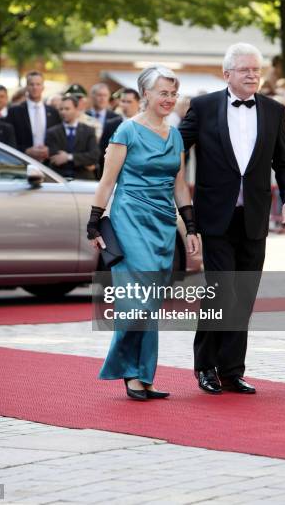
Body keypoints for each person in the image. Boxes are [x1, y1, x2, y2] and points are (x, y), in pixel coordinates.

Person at [179, 43, 285, 395]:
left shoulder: (274, 111)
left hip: (254, 218)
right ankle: (205, 367)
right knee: (221, 293)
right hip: (215, 217)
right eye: (245, 69)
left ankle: (232, 370)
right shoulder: (202, 107)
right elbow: (175, 150)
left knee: (243, 295)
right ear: (226, 73)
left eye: (256, 70)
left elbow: (284, 163)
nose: (252, 75)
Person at [87, 66, 199, 400]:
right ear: (145, 94)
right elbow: (107, 181)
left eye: (173, 94)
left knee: (152, 302)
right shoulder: (127, 131)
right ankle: (129, 371)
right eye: (163, 93)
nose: (169, 99)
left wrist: (190, 226)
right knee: (137, 300)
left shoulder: (176, 134)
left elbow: (180, 185)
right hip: (129, 220)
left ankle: (144, 374)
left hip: (162, 225)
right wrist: (94, 222)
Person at [6, 71, 61, 161]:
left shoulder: (53, 112)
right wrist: (26, 151)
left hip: (48, 164)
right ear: (26, 87)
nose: (35, 87)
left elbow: (58, 139)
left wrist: (50, 150)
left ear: (43, 87)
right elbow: (9, 140)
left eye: (38, 84)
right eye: (31, 84)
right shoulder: (14, 112)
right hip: (23, 160)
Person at [46, 94, 99, 179]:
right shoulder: (52, 132)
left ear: (76, 109)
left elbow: (94, 156)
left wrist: (69, 157)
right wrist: (83, 159)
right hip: (59, 179)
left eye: (67, 109)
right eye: (61, 109)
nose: (63, 112)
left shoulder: (89, 131)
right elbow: (55, 159)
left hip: (84, 179)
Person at [100, 88, 141, 166]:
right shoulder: (110, 124)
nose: (125, 105)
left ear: (138, 103)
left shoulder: (145, 124)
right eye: (123, 101)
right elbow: (103, 151)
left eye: (129, 102)